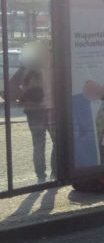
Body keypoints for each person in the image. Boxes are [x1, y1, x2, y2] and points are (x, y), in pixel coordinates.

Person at [7, 41, 55, 183]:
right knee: (53, 143)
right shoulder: (49, 66)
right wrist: (22, 97)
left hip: (38, 111)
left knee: (41, 144)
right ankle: (51, 175)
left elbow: (10, 87)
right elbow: (10, 88)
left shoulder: (28, 68)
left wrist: (21, 97)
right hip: (46, 110)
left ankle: (43, 176)